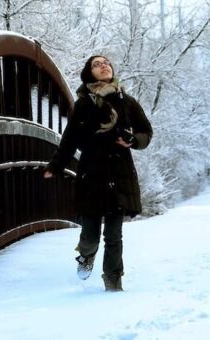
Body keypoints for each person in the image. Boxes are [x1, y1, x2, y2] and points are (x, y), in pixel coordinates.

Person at [43, 55, 153, 292]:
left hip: (119, 173)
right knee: (91, 235)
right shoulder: (84, 104)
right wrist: (56, 166)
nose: (103, 65)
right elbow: (69, 139)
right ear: (89, 73)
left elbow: (146, 132)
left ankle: (113, 283)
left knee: (114, 235)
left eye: (106, 63)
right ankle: (86, 256)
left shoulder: (127, 101)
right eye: (96, 64)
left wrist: (134, 140)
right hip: (91, 175)